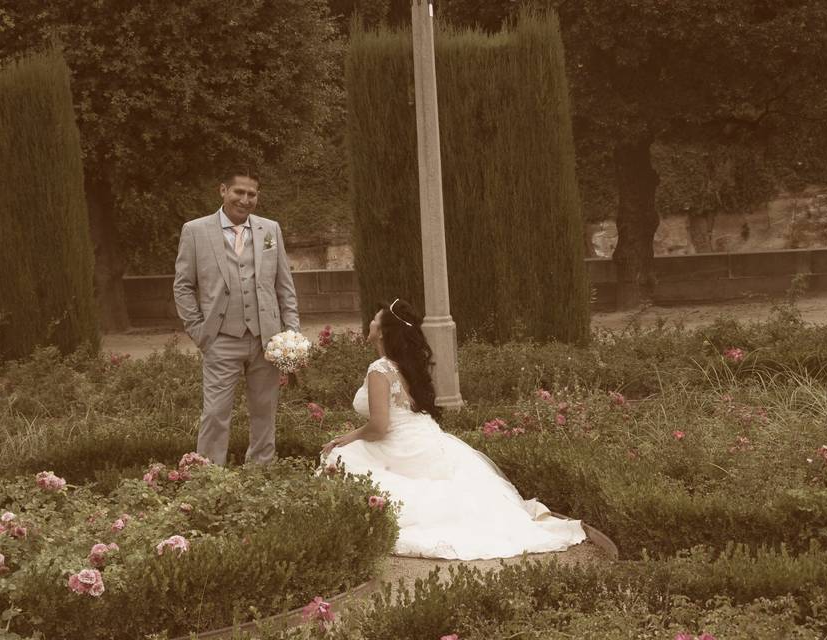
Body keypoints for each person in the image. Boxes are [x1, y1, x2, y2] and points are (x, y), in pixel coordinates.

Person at [321, 298, 587, 560]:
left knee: (337, 458)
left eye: (375, 320)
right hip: (427, 439)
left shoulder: (379, 369)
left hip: (400, 445)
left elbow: (379, 427)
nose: (370, 322)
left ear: (381, 333)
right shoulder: (407, 366)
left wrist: (348, 437)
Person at [174, 169, 299, 465]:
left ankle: (261, 472)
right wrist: (199, 331)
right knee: (216, 412)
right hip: (220, 339)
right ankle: (208, 475)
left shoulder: (270, 230)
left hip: (265, 341)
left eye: (251, 194)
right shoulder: (196, 230)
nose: (244, 200)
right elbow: (183, 286)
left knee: (264, 411)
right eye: (238, 192)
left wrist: (291, 334)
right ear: (223, 191)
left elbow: (284, 285)